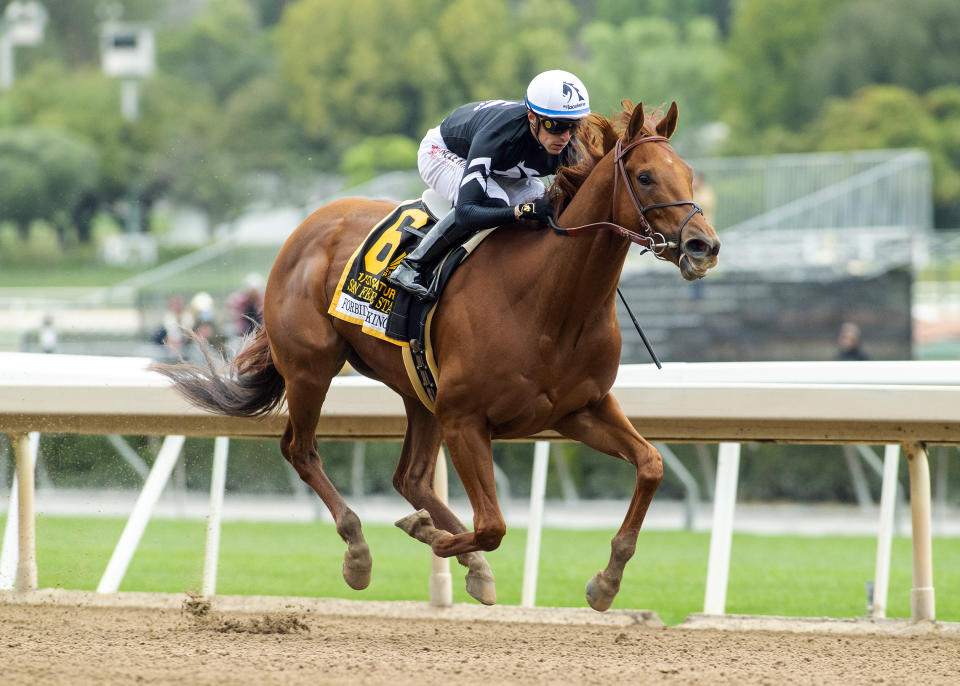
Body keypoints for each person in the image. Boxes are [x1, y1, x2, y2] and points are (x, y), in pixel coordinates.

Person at [388, 69, 591, 300]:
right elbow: (466, 213)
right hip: (443, 151)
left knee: (547, 203)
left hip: (501, 166)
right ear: (532, 118)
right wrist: (522, 211)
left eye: (573, 126)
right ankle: (413, 265)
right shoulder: (499, 136)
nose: (565, 136)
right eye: (555, 126)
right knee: (495, 202)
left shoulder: (568, 147)